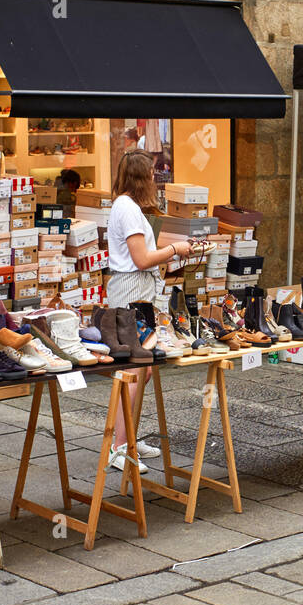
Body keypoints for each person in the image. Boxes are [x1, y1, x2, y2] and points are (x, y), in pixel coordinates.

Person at [105, 150, 193, 468]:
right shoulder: (127, 209)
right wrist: (174, 249)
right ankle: (118, 448)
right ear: (143, 177)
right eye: (154, 173)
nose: (157, 179)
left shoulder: (128, 207)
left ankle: (127, 439)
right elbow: (141, 259)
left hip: (137, 292)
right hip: (131, 294)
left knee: (144, 369)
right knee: (133, 371)